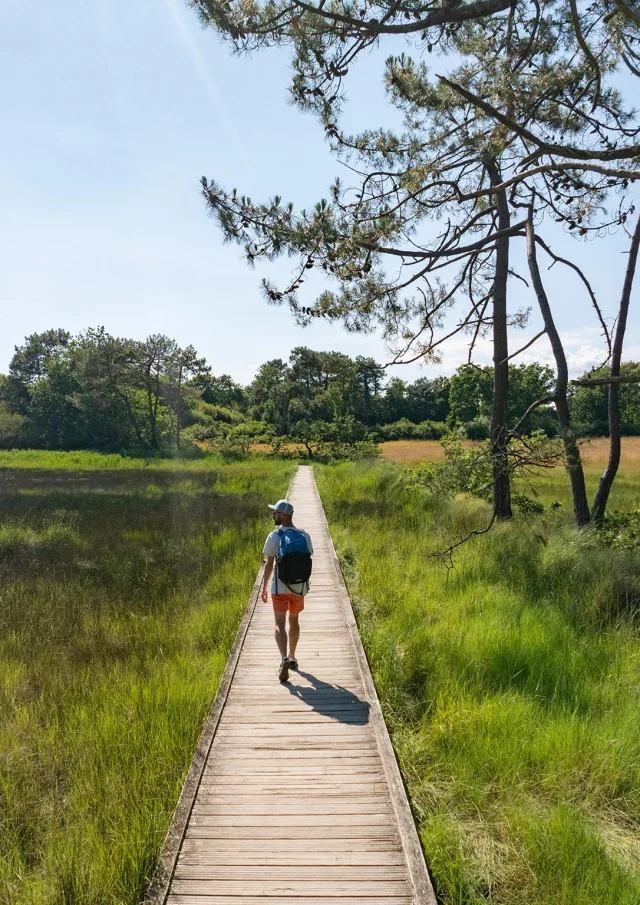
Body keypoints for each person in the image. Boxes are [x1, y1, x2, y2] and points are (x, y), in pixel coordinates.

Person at [261, 498, 313, 682]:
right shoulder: (304, 535)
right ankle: (292, 657)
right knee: (294, 620)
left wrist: (264, 588)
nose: (273, 515)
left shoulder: (274, 536)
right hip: (299, 588)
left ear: (283, 515)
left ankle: (283, 657)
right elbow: (308, 557)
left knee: (279, 624)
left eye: (275, 512)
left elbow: (269, 565)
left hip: (280, 587)